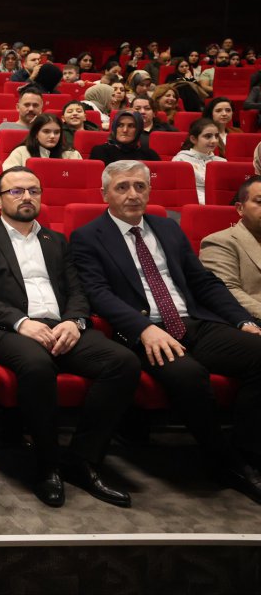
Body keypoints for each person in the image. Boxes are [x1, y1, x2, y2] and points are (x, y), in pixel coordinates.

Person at [72, 160, 261, 502]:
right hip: (145, 330)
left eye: (140, 186)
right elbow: (98, 294)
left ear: (149, 191)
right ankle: (225, 462)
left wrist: (241, 320)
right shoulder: (88, 237)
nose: (133, 194)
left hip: (193, 322)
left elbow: (204, 282)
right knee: (189, 375)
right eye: (122, 187)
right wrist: (144, 328)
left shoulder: (168, 229)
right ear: (105, 194)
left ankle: (247, 451)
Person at [0, 166, 139, 507]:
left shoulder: (56, 241)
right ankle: (47, 465)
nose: (26, 197)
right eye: (16, 191)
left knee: (123, 362)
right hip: (9, 331)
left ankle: (83, 459)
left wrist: (74, 321)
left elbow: (78, 290)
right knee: (38, 366)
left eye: (33, 190)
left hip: (61, 327)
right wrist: (20, 322)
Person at [200, 176, 261, 319]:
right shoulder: (219, 242)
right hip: (250, 321)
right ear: (240, 208)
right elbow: (227, 290)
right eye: (260, 201)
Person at [172, 118, 226, 205]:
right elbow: (181, 193)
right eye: (208, 136)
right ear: (193, 139)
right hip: (193, 205)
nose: (214, 141)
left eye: (216, 136)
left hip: (219, 204)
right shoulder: (181, 160)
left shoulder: (222, 162)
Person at [4, 114, 81, 168]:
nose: (52, 136)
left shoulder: (72, 155)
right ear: (36, 134)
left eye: (57, 132)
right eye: (46, 131)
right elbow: (7, 178)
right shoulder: (21, 152)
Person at [90, 110, 161, 166]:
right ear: (114, 127)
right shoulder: (99, 152)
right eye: (120, 125)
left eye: (131, 126)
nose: (125, 130)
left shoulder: (149, 155)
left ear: (138, 129)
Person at [0, 87, 44, 151]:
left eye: (35, 105)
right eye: (27, 105)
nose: (31, 109)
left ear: (41, 109)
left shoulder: (46, 130)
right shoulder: (5, 127)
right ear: (18, 107)